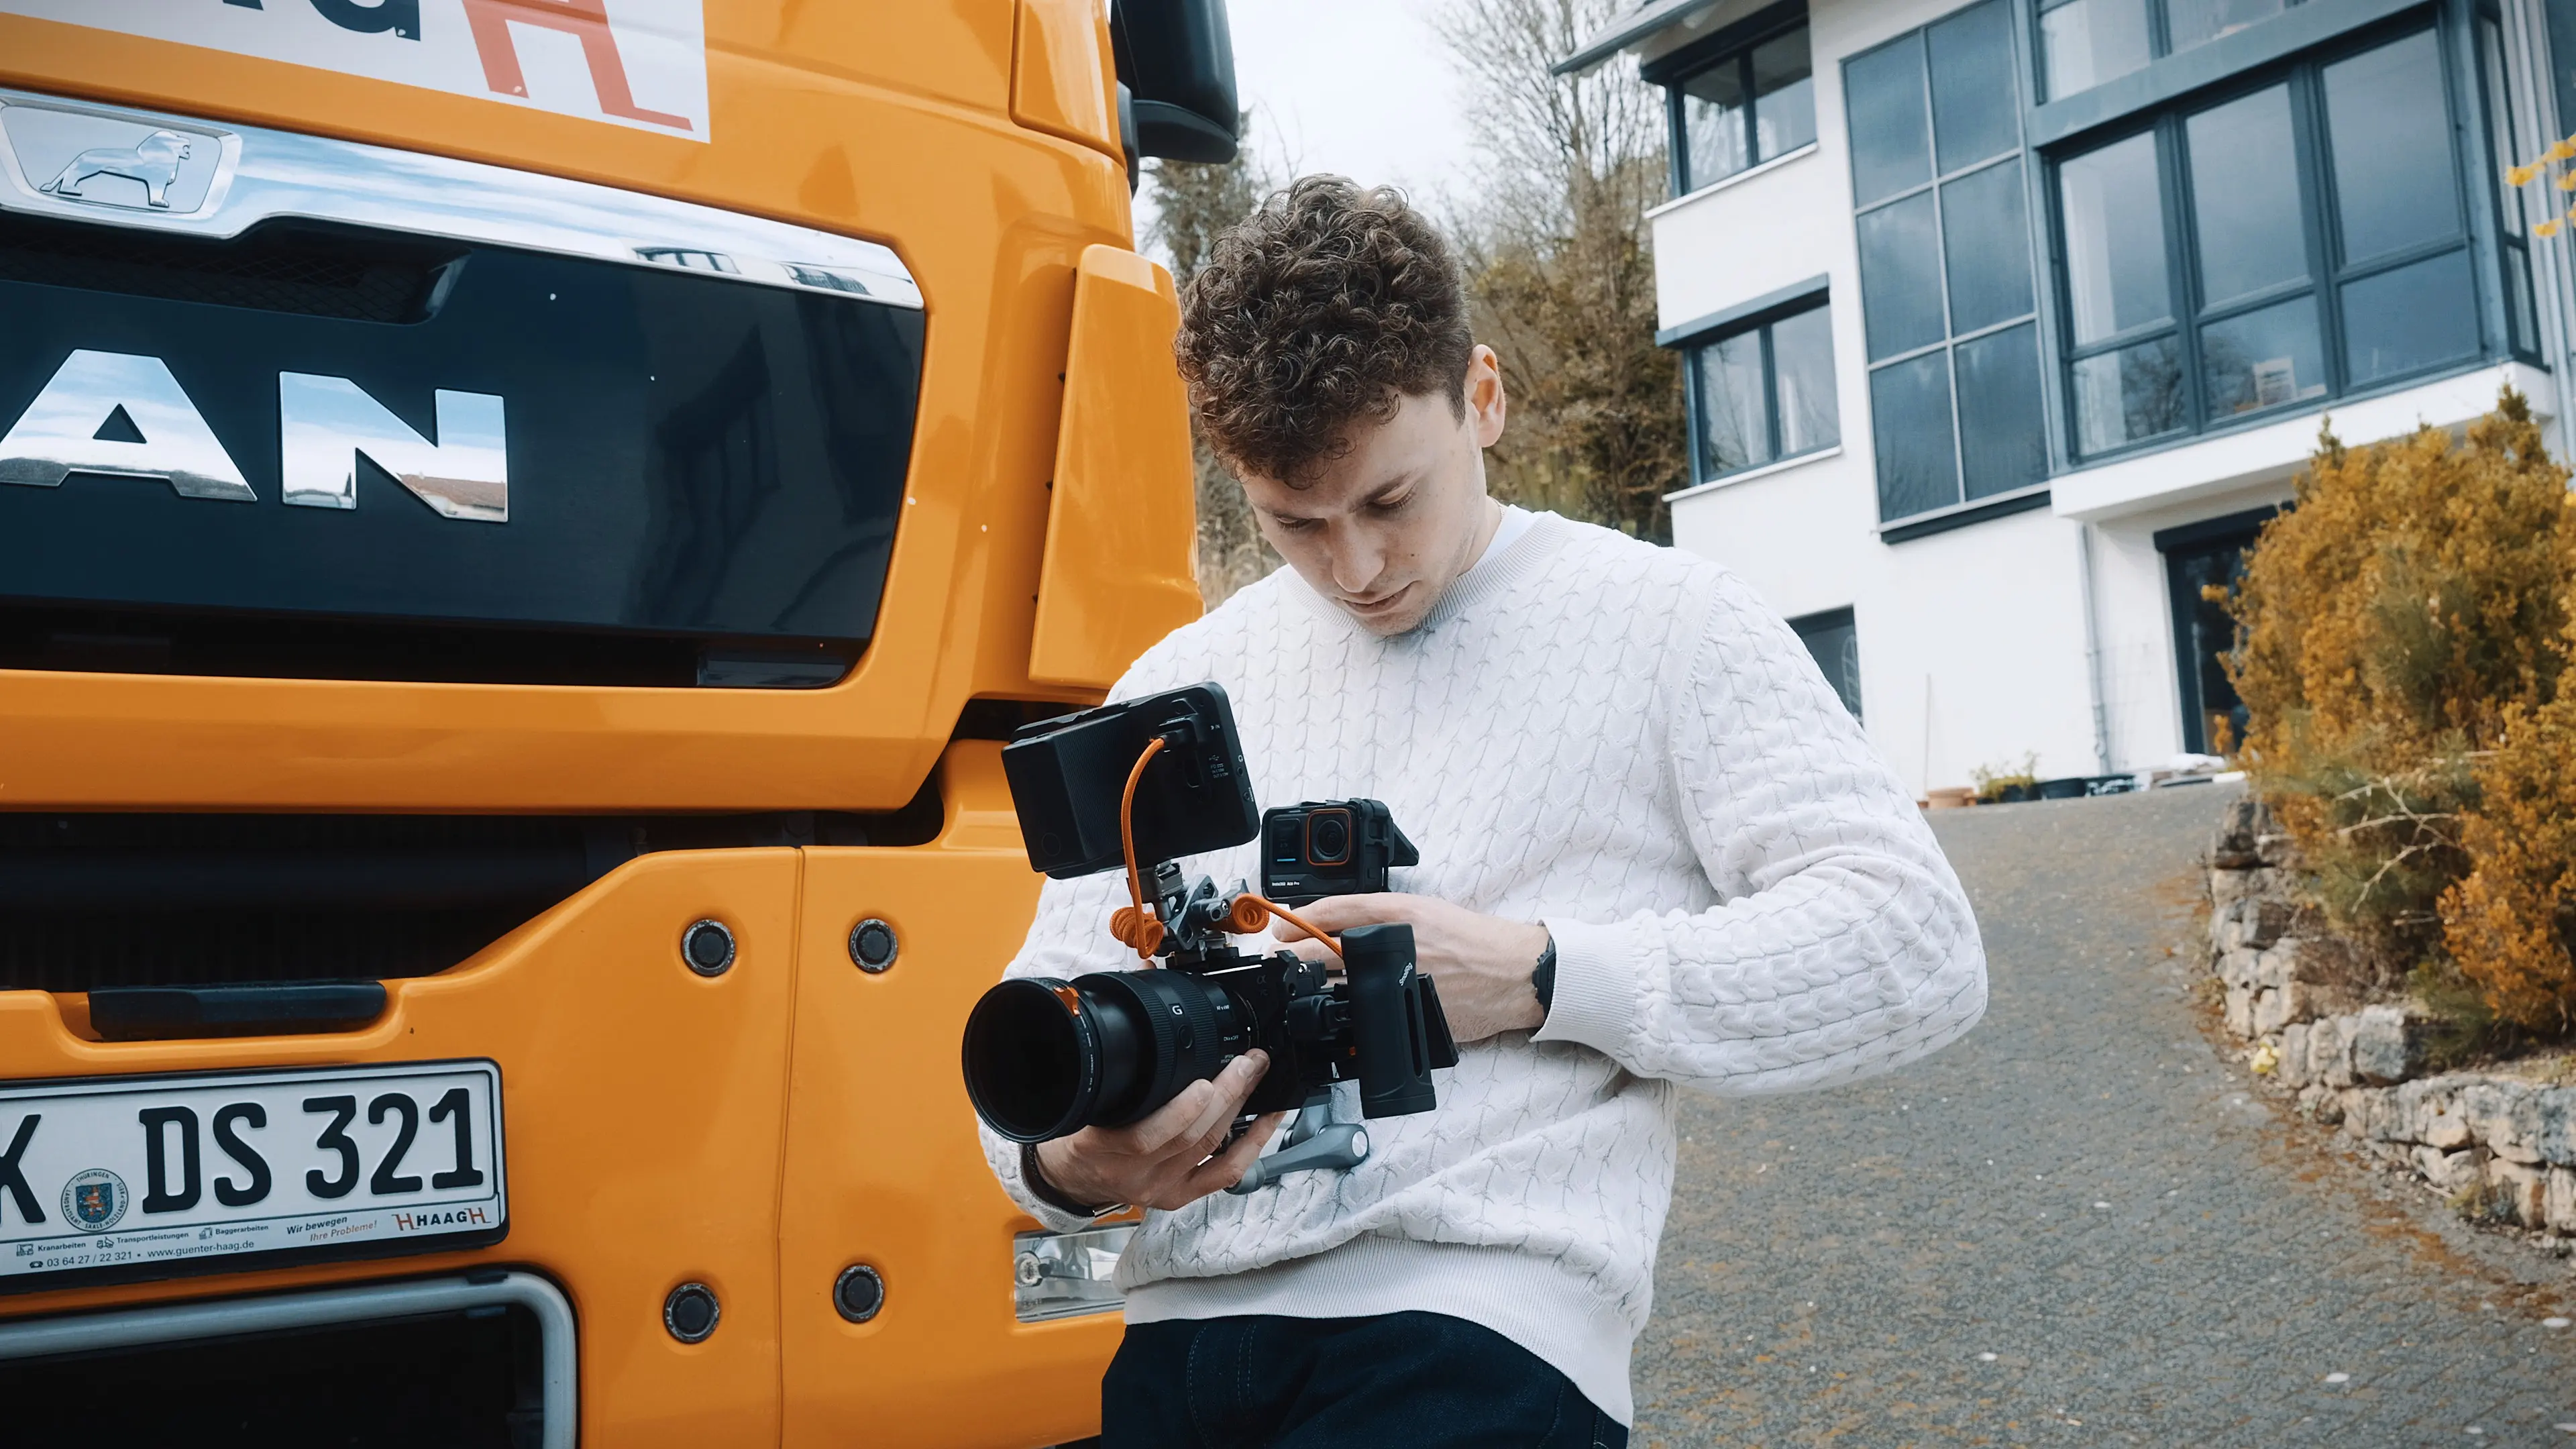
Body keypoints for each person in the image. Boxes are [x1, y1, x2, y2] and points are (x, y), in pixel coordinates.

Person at [979, 176, 1988, 1448]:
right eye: (1296, 522)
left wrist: (1542, 977)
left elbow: (1918, 947)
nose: (1355, 569)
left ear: (1485, 398)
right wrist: (1075, 1167)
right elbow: (1038, 1038)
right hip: (1171, 1352)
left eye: (1391, 501)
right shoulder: (1175, 685)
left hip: (1475, 1337)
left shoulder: (1667, 623)